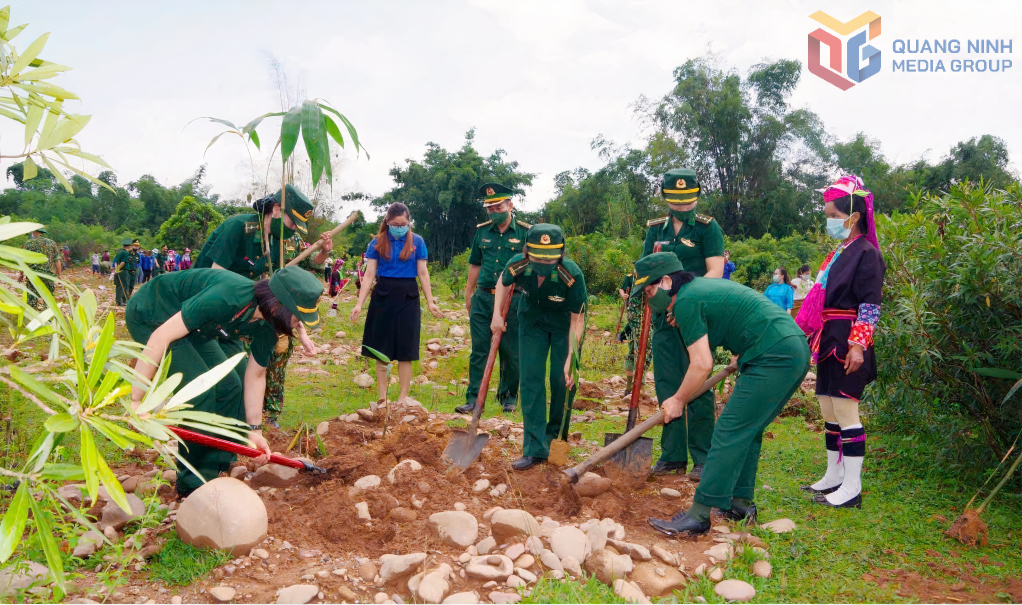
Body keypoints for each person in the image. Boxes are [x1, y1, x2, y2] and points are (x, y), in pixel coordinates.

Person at [632, 252, 810, 535]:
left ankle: (699, 515)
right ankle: (739, 504)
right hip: (787, 348)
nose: (648, 298)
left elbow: (702, 363)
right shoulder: (696, 292)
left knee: (728, 430)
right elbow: (736, 315)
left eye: (649, 290)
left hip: (774, 354)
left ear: (666, 281)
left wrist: (678, 399)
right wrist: (742, 352)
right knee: (747, 430)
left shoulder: (688, 300)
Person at [126, 266, 323, 496]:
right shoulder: (228, 297)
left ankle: (218, 462)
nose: (297, 325)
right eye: (297, 318)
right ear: (277, 306)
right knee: (201, 391)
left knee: (231, 385)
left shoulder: (268, 324)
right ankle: (192, 484)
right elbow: (161, 335)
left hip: (197, 327)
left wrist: (254, 431)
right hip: (153, 315)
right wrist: (136, 401)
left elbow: (256, 375)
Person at [196, 184, 330, 428]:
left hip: (240, 317)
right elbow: (214, 278)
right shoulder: (239, 228)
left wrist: (300, 332)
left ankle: (240, 434)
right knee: (223, 378)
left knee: (244, 374)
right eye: (292, 225)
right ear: (277, 209)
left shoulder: (282, 242)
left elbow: (290, 283)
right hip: (207, 313)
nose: (293, 232)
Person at [797, 175, 885, 509]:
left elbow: (870, 304)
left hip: (849, 338)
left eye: (834, 216)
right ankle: (834, 476)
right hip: (829, 334)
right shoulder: (838, 252)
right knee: (828, 406)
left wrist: (859, 345)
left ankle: (852, 486)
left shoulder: (867, 254)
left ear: (854, 215)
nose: (830, 222)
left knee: (847, 409)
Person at [642, 168, 725, 480]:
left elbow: (715, 271)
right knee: (667, 382)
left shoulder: (707, 228)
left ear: (696, 196)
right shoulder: (655, 229)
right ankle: (672, 456)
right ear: (665, 197)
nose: (682, 205)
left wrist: (686, 301)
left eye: (687, 199)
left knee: (699, 385)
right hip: (664, 316)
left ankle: (703, 457)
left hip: (697, 312)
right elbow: (647, 269)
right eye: (675, 200)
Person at [493, 224, 587, 471]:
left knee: (562, 379)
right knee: (531, 378)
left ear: (561, 252)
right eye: (538, 259)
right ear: (527, 251)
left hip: (563, 325)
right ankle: (534, 449)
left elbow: (578, 320)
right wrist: (496, 315)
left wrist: (571, 356)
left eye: (550, 260)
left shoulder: (571, 273)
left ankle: (555, 440)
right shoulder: (519, 263)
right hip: (531, 321)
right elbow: (504, 282)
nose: (543, 265)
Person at [352, 203, 442, 404]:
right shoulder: (377, 242)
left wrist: (430, 302)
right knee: (380, 348)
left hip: (408, 296)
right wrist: (359, 303)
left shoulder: (417, 241)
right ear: (387, 222)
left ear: (409, 223)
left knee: (405, 350)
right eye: (395, 224)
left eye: (403, 224)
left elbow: (423, 273)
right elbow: (369, 274)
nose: (399, 227)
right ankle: (382, 397)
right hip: (382, 295)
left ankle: (403, 398)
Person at [456, 183, 531, 415]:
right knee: (479, 349)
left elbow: (532, 268)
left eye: (497, 207)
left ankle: (508, 396)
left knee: (511, 350)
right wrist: (469, 294)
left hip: (512, 300)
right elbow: (475, 264)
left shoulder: (525, 232)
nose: (493, 212)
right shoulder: (482, 232)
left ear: (510, 205)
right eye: (489, 209)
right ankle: (473, 398)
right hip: (483, 298)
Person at [616, 272, 652, 397]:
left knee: (637, 353)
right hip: (638, 322)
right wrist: (623, 295)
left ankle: (634, 387)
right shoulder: (631, 278)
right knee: (641, 353)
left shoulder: (646, 279)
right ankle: (634, 387)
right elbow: (621, 288)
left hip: (639, 320)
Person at [18, 227, 62, 309]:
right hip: (47, 276)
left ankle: (32, 318)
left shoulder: (27, 243)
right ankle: (47, 319)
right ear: (42, 233)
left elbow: (21, 260)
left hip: (33, 276)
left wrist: (21, 274)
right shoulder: (51, 243)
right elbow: (57, 260)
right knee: (48, 299)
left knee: (32, 299)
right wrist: (59, 275)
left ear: (34, 232)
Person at [113, 238, 138, 306]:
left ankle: (119, 300)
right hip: (123, 271)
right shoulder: (125, 253)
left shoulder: (119, 252)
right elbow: (123, 262)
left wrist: (116, 269)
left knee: (119, 286)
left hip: (119, 271)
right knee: (123, 286)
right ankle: (121, 301)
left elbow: (116, 262)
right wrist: (119, 268)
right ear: (129, 246)